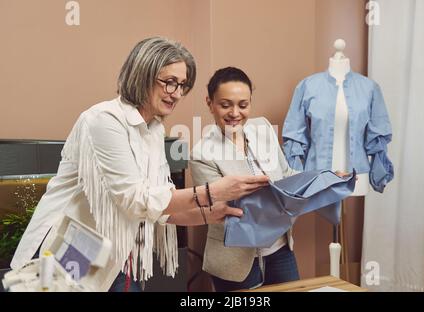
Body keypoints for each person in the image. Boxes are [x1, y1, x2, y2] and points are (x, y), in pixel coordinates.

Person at [10, 38, 269, 292]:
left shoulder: (153, 130)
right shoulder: (104, 120)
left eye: (182, 85)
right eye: (170, 83)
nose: (177, 93)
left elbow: (159, 206)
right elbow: (135, 199)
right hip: (68, 248)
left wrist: (207, 214)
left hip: (112, 256)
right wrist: (211, 192)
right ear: (143, 74)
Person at [190, 67, 301, 292]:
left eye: (243, 105)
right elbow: (219, 211)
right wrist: (278, 200)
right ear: (209, 103)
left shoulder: (263, 128)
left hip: (279, 249)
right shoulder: (202, 154)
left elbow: (287, 175)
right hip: (235, 260)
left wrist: (324, 179)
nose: (235, 113)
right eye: (225, 104)